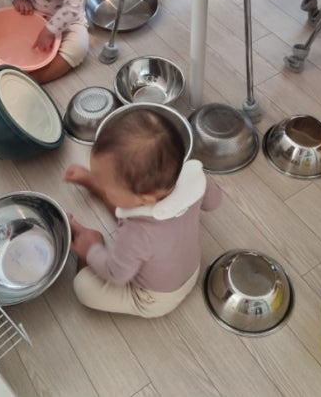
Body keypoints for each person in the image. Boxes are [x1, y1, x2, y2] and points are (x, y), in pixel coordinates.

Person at [64, 108, 223, 318]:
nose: (105, 186)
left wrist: (91, 250)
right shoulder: (196, 178)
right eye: (97, 177)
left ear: (146, 199)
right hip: (191, 269)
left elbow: (116, 273)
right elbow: (215, 201)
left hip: (155, 299)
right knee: (125, 207)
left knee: (83, 287)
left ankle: (89, 242)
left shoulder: (137, 232)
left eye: (106, 185)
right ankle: (98, 186)